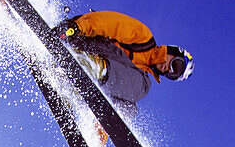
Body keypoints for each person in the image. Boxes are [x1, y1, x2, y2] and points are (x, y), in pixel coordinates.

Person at [52, 10, 193, 114]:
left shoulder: (142, 72)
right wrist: (77, 27)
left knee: (130, 110)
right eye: (176, 65)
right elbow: (110, 23)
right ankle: (95, 67)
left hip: (99, 76)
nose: (168, 69)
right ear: (173, 52)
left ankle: (94, 123)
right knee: (144, 86)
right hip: (85, 42)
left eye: (172, 75)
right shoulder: (144, 38)